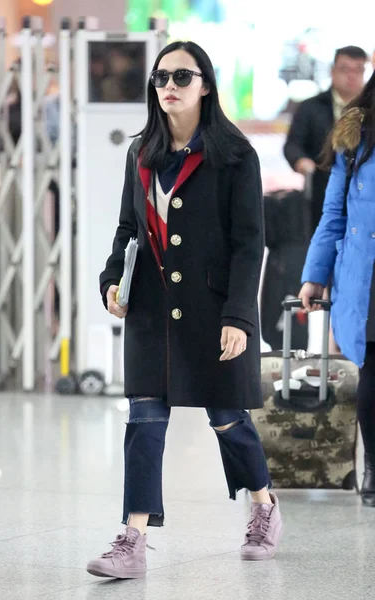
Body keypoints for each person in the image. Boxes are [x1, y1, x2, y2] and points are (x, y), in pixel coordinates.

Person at [87, 41, 283, 579]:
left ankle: (264, 506)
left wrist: (240, 316)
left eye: (181, 75)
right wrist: (111, 280)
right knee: (144, 420)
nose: (168, 85)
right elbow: (128, 229)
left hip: (213, 308)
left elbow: (250, 244)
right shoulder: (141, 153)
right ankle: (132, 539)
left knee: (227, 418)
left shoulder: (236, 154)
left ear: (206, 85)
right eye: (160, 77)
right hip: (153, 307)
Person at [299, 70, 375, 508]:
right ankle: (373, 467)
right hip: (366, 273)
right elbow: (334, 215)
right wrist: (315, 274)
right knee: (372, 373)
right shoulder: (357, 133)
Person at [284, 45, 367, 232]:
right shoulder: (310, 108)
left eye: (359, 70)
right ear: (333, 71)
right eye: (345, 69)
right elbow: (293, 144)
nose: (352, 76)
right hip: (324, 190)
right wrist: (301, 161)